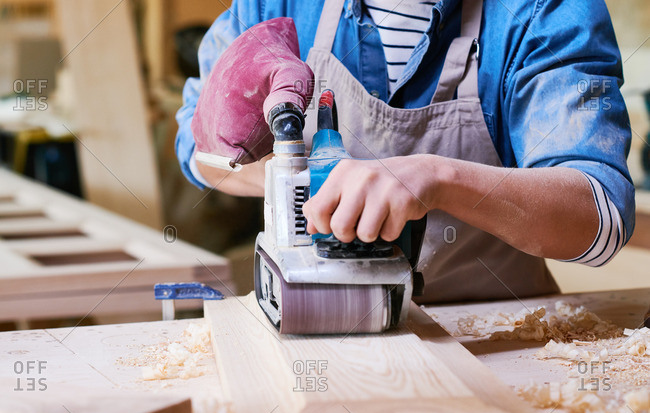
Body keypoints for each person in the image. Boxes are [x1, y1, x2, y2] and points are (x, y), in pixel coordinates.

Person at [176, 0, 635, 303]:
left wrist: (437, 179)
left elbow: (599, 216)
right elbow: (196, 154)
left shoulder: (542, 11)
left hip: (496, 340)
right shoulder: (275, 3)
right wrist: (292, 171)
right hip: (317, 333)